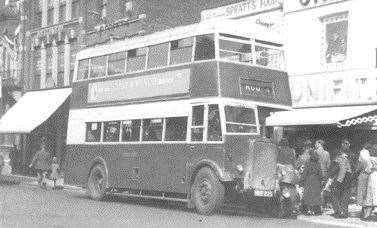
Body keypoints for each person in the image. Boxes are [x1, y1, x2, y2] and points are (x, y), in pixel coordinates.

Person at [327, 140, 353, 218]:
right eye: (346, 143)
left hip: (339, 178)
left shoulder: (337, 154)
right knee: (345, 195)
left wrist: (329, 176)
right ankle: (344, 212)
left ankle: (338, 212)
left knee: (335, 194)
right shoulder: (351, 155)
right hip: (347, 178)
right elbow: (353, 167)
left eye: (347, 144)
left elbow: (333, 167)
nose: (346, 145)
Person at [300, 149, 323, 215]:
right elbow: (320, 173)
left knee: (308, 196)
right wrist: (321, 180)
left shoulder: (307, 163)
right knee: (314, 196)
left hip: (309, 180)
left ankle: (309, 210)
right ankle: (313, 210)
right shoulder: (318, 164)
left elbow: (305, 173)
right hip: (316, 181)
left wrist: (301, 181)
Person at [355, 143, 373, 220]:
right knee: (368, 195)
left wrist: (355, 174)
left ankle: (364, 213)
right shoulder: (370, 158)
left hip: (363, 176)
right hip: (370, 177)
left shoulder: (363, 159)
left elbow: (358, 168)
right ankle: (365, 212)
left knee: (363, 194)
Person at [361, 147, 377, 221]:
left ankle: (367, 216)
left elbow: (368, 169)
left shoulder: (370, 159)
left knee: (370, 194)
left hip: (373, 175)